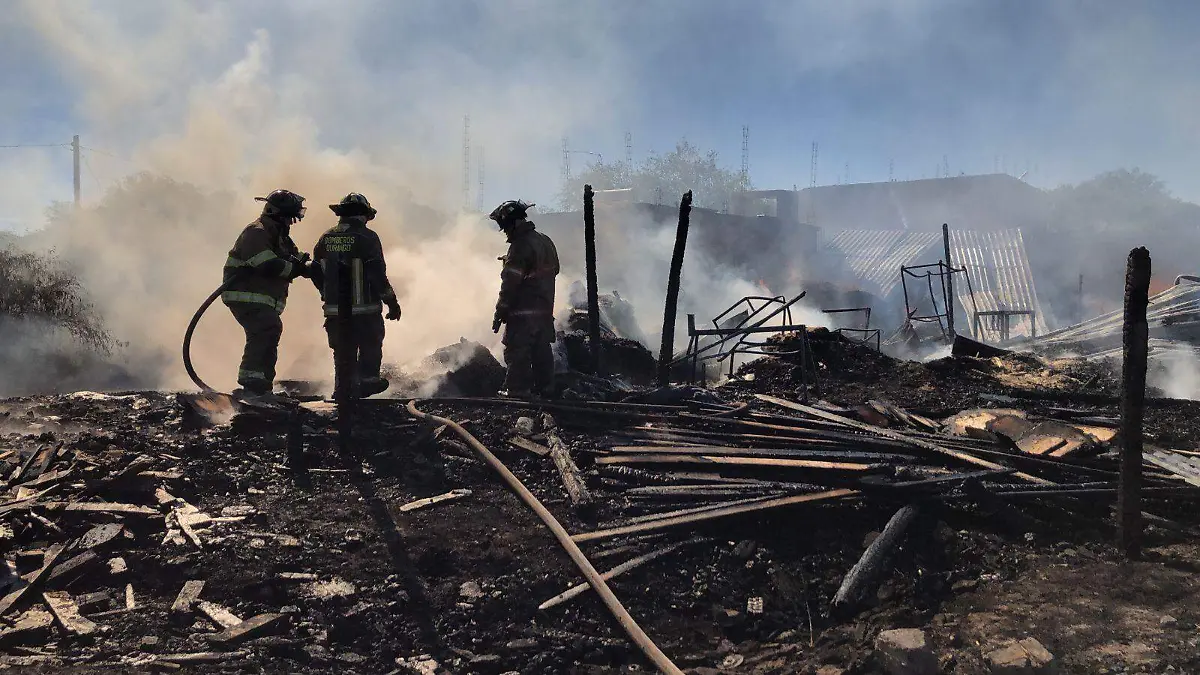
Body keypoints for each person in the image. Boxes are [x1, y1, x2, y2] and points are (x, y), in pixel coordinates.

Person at [310, 193, 402, 399]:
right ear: (363, 215)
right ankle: (368, 382)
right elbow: (377, 274)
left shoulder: (326, 238)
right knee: (370, 345)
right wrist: (392, 302)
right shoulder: (367, 238)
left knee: (342, 352)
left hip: (334, 311)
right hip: (365, 311)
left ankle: (342, 390)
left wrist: (326, 293)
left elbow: (315, 271)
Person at [222, 189, 311, 398]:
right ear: (277, 214)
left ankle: (261, 386)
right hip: (244, 294)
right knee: (267, 328)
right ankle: (251, 384)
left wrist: (313, 267)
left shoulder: (279, 236)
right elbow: (267, 264)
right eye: (289, 218)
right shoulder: (256, 232)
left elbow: (295, 258)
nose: (290, 223)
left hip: (261, 297)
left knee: (270, 331)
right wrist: (297, 269)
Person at [489, 199, 560, 398]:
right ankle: (546, 390)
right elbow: (553, 270)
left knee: (517, 350)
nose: (505, 233)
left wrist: (499, 312)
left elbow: (510, 284)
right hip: (545, 309)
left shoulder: (519, 246)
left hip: (523, 312)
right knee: (541, 350)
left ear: (512, 223)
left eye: (504, 228)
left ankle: (517, 391)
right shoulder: (545, 240)